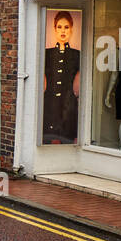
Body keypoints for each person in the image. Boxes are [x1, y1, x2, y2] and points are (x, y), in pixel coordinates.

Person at [42, 11, 81, 143]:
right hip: (49, 105)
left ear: (71, 29)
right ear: (54, 29)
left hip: (68, 105)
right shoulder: (47, 54)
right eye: (59, 27)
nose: (62, 31)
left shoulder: (77, 55)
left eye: (66, 27)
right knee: (47, 140)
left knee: (67, 141)